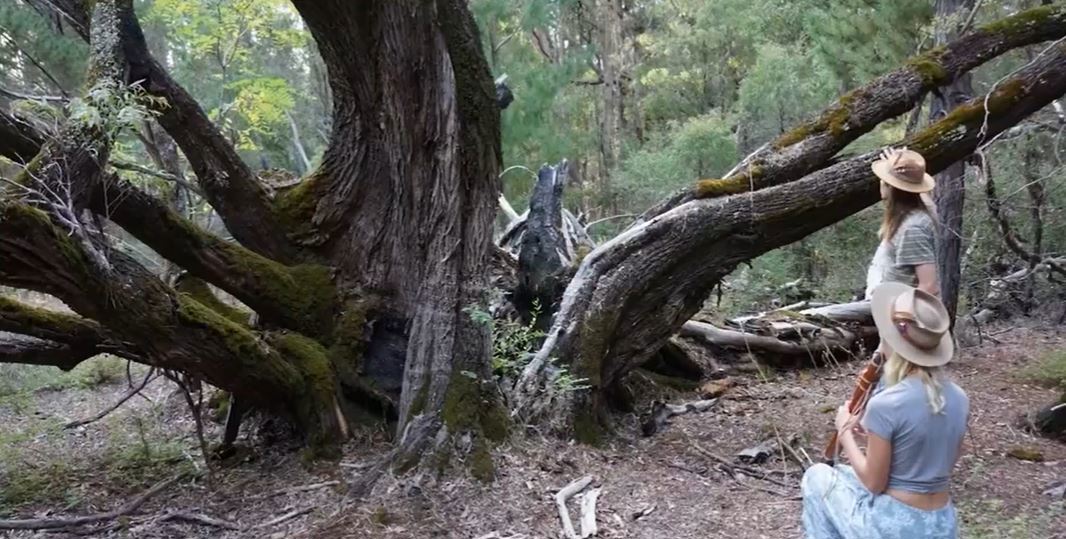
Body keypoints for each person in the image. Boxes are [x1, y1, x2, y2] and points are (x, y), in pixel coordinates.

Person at [802, 282, 969, 539]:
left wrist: (844, 429)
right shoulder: (959, 397)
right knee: (842, 475)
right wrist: (869, 438)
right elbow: (939, 457)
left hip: (894, 526)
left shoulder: (886, 403)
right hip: (943, 524)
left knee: (817, 476)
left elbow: (874, 483)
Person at [864, 147, 940, 300]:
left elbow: (929, 286)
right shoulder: (924, 209)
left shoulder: (912, 228)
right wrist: (900, 163)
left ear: (889, 187)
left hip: (895, 309)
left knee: (812, 316)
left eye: (883, 180)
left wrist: (901, 315)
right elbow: (922, 195)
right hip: (885, 300)